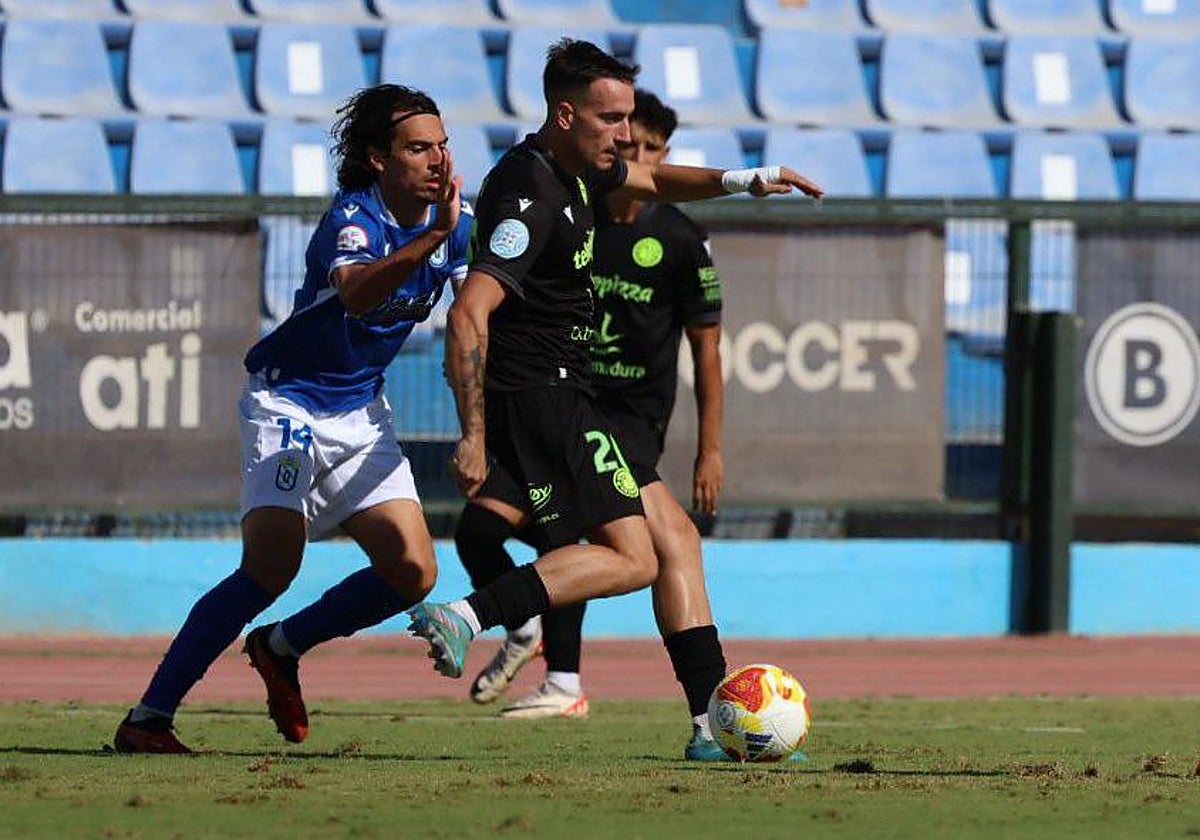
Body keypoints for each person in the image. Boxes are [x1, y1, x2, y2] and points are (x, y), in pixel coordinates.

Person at [407, 38, 821, 759]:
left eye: (629, 117)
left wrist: (745, 178)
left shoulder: (580, 169)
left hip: (570, 395)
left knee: (672, 541)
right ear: (566, 115)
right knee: (634, 559)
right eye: (611, 119)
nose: (626, 134)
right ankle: (468, 618)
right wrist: (471, 434)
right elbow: (469, 314)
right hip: (540, 396)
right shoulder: (531, 194)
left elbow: (656, 181)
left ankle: (709, 728)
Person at [113, 84, 472, 753]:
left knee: (414, 572)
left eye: (443, 145)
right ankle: (149, 718)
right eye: (419, 148)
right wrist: (433, 239)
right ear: (378, 158)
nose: (438, 160)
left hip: (361, 413)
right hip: (289, 405)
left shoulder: (457, 221)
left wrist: (483, 421)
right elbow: (358, 294)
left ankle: (281, 646)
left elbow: (476, 314)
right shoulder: (355, 218)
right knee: (271, 567)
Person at [455, 90, 726, 729]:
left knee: (656, 539)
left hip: (628, 419)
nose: (636, 151)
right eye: (626, 139)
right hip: (558, 404)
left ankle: (567, 678)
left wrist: (710, 449)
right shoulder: (576, 208)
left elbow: (708, 352)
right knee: (479, 530)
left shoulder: (681, 239)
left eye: (650, 145)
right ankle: (518, 627)